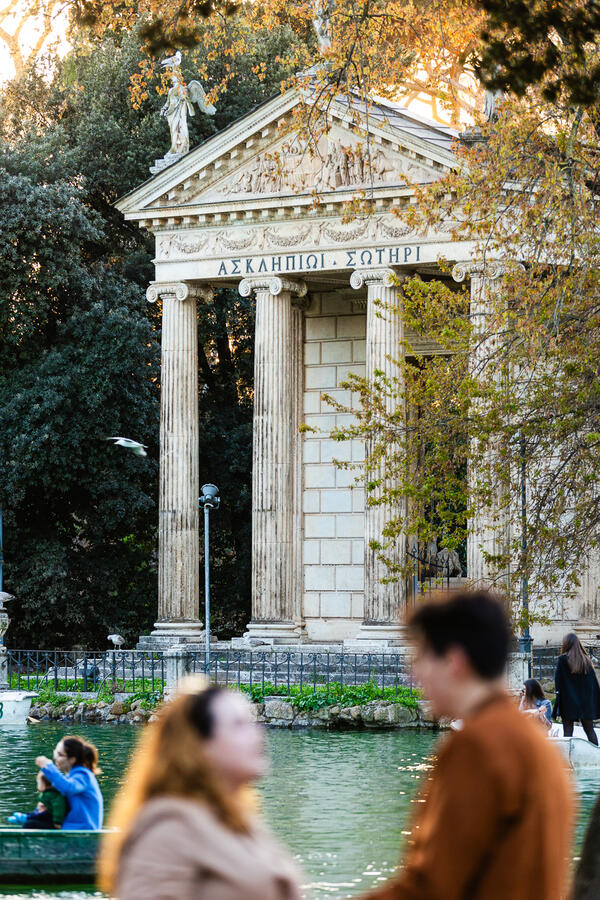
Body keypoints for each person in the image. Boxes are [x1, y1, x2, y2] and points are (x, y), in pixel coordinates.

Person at [360, 589, 574, 900]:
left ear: (454, 661)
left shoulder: (477, 747)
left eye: (419, 658)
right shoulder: (532, 743)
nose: (412, 675)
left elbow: (430, 888)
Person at [98, 679, 302, 900]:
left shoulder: (238, 820)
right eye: (239, 724)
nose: (258, 733)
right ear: (197, 745)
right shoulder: (167, 831)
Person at [35, 736, 103, 830]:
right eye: (56, 752)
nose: (55, 757)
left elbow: (68, 788)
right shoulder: (70, 776)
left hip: (83, 829)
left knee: (31, 825)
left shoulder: (84, 775)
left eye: (60, 755)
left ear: (72, 759)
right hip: (70, 826)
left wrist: (48, 766)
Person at [554, 632, 600, 745]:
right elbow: (593, 684)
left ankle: (568, 759)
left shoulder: (562, 660)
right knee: (590, 731)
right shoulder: (586, 661)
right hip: (585, 704)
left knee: (568, 732)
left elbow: (558, 682)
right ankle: (597, 756)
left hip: (568, 703)